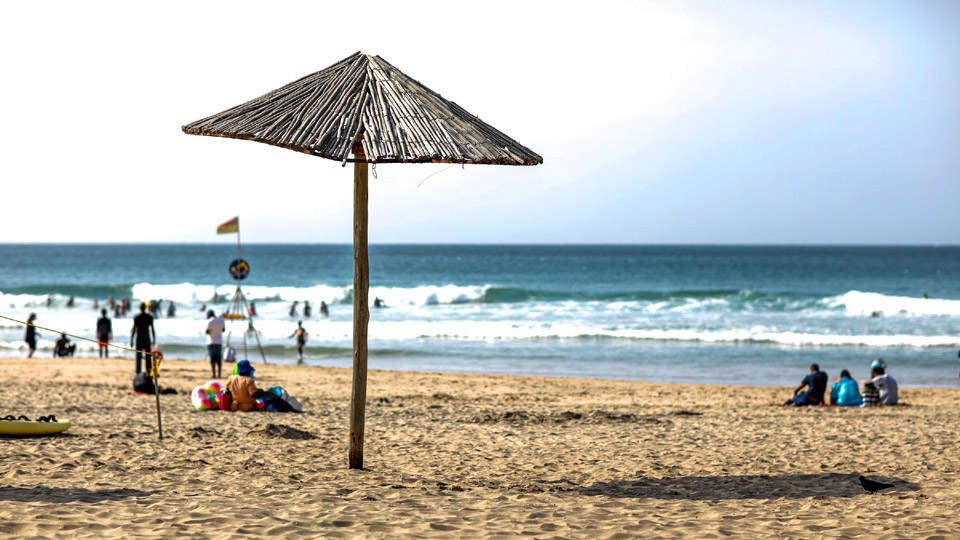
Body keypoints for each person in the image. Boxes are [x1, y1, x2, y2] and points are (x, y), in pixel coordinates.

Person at [130, 302, 155, 374]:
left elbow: (134, 329)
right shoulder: (149, 317)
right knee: (148, 356)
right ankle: (149, 371)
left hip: (139, 336)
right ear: (145, 308)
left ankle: (138, 372)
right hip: (147, 336)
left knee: (138, 355)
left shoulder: (137, 317)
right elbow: (152, 329)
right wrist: (153, 339)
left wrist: (131, 340)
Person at [205, 309, 225, 378]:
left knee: (212, 359)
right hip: (219, 341)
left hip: (211, 341)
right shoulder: (221, 320)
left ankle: (214, 374)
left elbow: (207, 331)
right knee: (219, 359)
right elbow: (223, 330)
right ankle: (219, 374)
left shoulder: (210, 321)